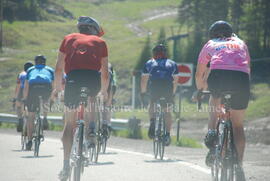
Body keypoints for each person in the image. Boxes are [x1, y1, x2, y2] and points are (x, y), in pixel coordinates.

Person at [55, 16, 109, 180]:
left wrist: (58, 89)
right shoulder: (101, 43)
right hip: (93, 79)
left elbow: (58, 68)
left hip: (73, 79)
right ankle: (90, 129)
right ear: (94, 30)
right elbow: (105, 73)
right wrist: (104, 92)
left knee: (69, 123)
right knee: (92, 100)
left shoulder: (68, 38)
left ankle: (65, 166)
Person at [195, 20, 250, 181]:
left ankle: (212, 134)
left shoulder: (210, 44)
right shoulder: (241, 43)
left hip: (219, 77)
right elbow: (248, 69)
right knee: (238, 126)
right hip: (241, 80)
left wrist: (199, 90)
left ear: (212, 34)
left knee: (214, 101)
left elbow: (200, 74)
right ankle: (239, 166)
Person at [141, 44, 179, 146]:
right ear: (166, 54)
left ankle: (152, 121)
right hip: (167, 87)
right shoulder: (172, 63)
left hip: (155, 86)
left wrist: (143, 92)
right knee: (167, 111)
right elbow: (176, 80)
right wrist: (173, 93)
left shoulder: (149, 63)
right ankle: (167, 134)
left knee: (152, 103)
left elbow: (144, 80)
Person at [23, 55, 54, 150]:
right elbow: (53, 86)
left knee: (31, 116)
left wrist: (25, 99)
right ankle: (45, 117)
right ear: (45, 62)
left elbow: (26, 86)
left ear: (35, 62)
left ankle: (29, 141)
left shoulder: (30, 69)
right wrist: (51, 99)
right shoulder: (50, 69)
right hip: (46, 87)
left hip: (33, 88)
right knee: (45, 100)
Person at [13, 62, 34, 132]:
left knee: (18, 105)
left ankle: (20, 119)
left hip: (22, 90)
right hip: (31, 90)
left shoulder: (21, 74)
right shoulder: (33, 73)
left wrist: (15, 98)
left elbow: (17, 86)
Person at [102, 63, 117, 133]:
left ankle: (106, 122)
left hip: (106, 83)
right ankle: (107, 123)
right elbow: (113, 84)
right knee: (107, 105)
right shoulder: (109, 65)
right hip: (110, 85)